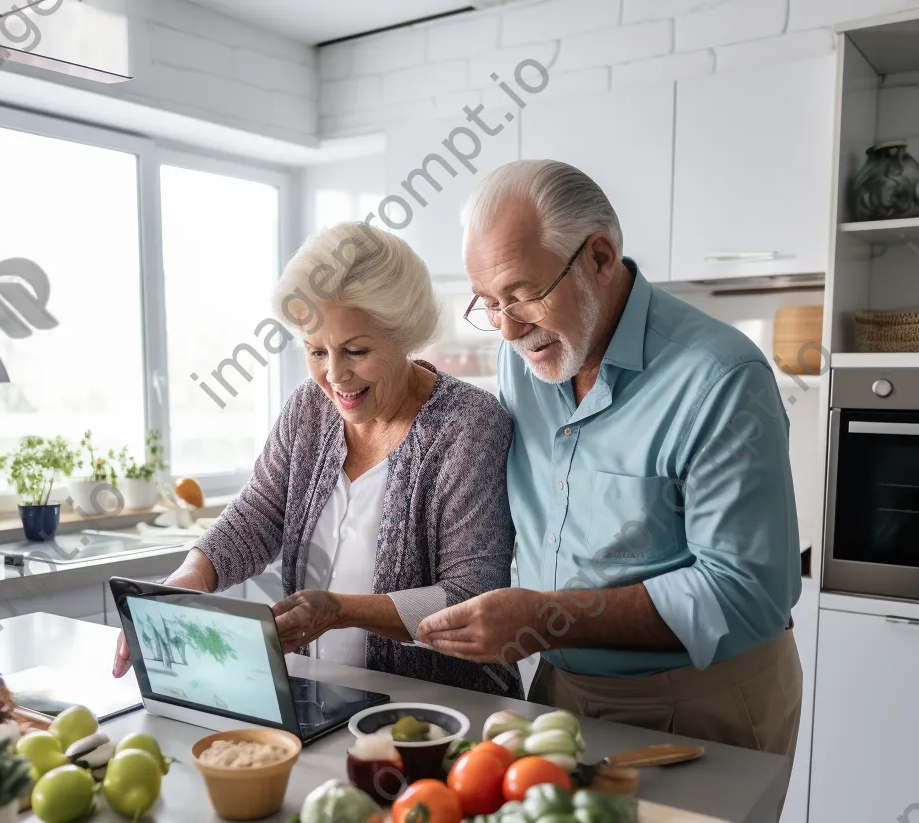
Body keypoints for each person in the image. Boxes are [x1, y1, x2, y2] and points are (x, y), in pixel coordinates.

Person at [416, 159, 803, 756]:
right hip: (558, 690)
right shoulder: (522, 362)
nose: (508, 328)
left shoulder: (721, 376)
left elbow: (745, 592)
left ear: (599, 257)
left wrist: (544, 618)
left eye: (522, 295)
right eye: (487, 303)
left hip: (696, 701)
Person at [113, 222, 520, 697]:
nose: (334, 374)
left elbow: (469, 596)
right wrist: (187, 581)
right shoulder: (309, 408)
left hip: (441, 716)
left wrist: (339, 611)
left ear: (403, 336)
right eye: (315, 350)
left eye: (356, 350)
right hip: (322, 702)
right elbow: (259, 512)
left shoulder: (469, 427)